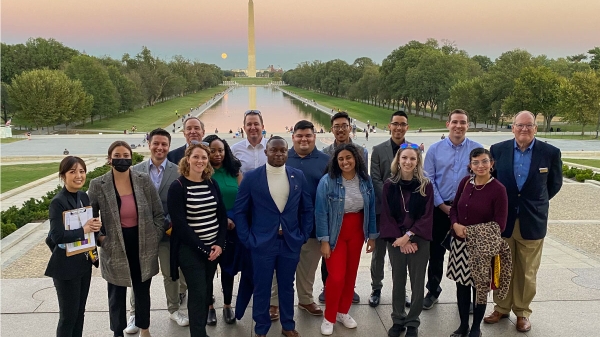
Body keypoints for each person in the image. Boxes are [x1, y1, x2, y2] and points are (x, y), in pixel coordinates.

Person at [485, 111, 563, 333]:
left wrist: (537, 202)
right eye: (520, 125)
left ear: (536, 129)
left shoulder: (550, 153)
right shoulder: (498, 151)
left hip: (533, 220)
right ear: (512, 128)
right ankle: (501, 307)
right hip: (504, 220)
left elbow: (554, 184)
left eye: (529, 126)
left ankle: (522, 312)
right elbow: (493, 181)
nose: (524, 129)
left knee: (527, 270)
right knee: (501, 267)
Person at [234, 136, 314, 337]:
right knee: (262, 287)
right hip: (261, 243)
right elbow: (240, 211)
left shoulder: (297, 176)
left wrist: (303, 235)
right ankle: (261, 328)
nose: (278, 154)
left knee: (287, 286)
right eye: (274, 150)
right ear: (266, 152)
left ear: (288, 152)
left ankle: (288, 325)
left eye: (283, 150)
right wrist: (247, 238)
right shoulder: (252, 177)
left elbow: (306, 209)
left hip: (289, 242)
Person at [88, 141, 164, 337]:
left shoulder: (143, 180)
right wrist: (101, 239)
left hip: (142, 242)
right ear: (109, 158)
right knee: (116, 292)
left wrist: (154, 237)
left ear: (131, 157)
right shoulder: (98, 184)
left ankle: (144, 328)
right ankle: (117, 331)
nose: (122, 159)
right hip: (114, 244)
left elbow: (158, 213)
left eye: (125, 155)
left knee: (142, 290)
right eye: (117, 156)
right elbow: (89, 218)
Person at [124, 129, 189, 334]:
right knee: (140, 276)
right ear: (149, 144)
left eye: (164, 144)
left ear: (169, 147)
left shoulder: (177, 170)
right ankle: (135, 314)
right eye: (156, 144)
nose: (160, 148)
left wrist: (168, 223)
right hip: (142, 235)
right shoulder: (135, 171)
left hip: (168, 233)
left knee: (171, 274)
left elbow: (180, 203)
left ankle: (174, 309)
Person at [423, 109, 482, 310]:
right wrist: (442, 206)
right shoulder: (435, 149)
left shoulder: (477, 149)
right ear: (448, 124)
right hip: (440, 209)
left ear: (468, 125)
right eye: (455, 122)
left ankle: (470, 298)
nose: (459, 126)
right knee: (436, 253)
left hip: (468, 211)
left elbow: (483, 178)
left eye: (463, 122)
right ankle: (433, 290)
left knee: (470, 254)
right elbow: (428, 180)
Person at [315, 143, 377, 336]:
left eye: (348, 158)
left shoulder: (365, 181)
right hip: (336, 232)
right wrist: (324, 240)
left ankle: (343, 312)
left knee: (350, 275)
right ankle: (329, 316)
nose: (345, 162)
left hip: (357, 231)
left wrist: (372, 236)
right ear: (336, 161)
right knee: (337, 276)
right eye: (340, 159)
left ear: (356, 159)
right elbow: (321, 212)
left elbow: (371, 209)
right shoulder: (328, 181)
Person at [168, 142, 228, 337]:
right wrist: (203, 249)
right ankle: (198, 334)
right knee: (198, 292)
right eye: (196, 157)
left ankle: (199, 329)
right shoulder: (177, 187)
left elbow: (221, 216)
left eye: (204, 157)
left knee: (206, 289)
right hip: (191, 250)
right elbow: (181, 226)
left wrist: (219, 244)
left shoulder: (211, 183)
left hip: (213, 249)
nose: (200, 161)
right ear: (187, 158)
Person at [447, 148, 509, 337]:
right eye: (476, 162)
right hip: (460, 245)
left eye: (484, 161)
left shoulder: (498, 189)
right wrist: (455, 225)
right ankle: (463, 325)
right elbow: (454, 207)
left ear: (491, 163)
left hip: (482, 247)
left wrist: (471, 231)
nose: (480, 166)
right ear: (470, 165)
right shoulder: (466, 183)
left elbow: (500, 225)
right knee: (462, 286)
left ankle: (476, 328)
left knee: (479, 286)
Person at [379, 143, 434, 337]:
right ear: (398, 160)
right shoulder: (389, 185)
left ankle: (412, 321)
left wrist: (408, 237)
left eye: (412, 158)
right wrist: (400, 239)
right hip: (396, 240)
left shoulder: (425, 185)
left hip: (419, 240)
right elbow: (387, 216)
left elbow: (427, 217)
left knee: (418, 283)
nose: (408, 162)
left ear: (417, 161)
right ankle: (398, 318)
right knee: (398, 280)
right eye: (404, 158)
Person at [45, 156, 101, 337]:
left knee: (79, 314)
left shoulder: (83, 196)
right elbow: (56, 235)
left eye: (82, 171)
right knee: (68, 317)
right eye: (73, 172)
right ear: (63, 176)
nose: (78, 175)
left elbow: (87, 226)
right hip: (65, 267)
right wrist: (83, 229)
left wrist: (94, 228)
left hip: (83, 263)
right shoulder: (58, 202)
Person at [321, 111, 368, 304]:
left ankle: (349, 288)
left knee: (351, 256)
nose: (340, 129)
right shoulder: (325, 153)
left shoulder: (361, 151)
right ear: (331, 129)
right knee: (329, 254)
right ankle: (327, 286)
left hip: (353, 208)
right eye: (336, 126)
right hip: (333, 209)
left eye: (344, 125)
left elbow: (363, 179)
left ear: (350, 127)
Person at [369, 110, 412, 308]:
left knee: (399, 254)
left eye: (402, 124)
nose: (398, 127)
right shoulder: (378, 150)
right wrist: (390, 200)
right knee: (379, 253)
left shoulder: (412, 150)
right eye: (395, 123)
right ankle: (376, 288)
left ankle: (400, 291)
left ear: (407, 127)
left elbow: (416, 176)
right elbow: (375, 179)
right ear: (389, 126)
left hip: (403, 213)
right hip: (381, 210)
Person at [287, 120, 330, 317]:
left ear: (314, 137)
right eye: (299, 135)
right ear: (293, 137)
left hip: (312, 224)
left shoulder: (326, 160)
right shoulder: (282, 157)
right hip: (285, 225)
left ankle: (305, 299)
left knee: (308, 267)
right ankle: (274, 303)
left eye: (308, 135)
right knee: (280, 267)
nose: (304, 139)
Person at [203, 134, 243, 326]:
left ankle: (227, 305)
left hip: (232, 229)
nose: (217, 154)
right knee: (209, 270)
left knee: (228, 270)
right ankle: (209, 307)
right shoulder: (202, 173)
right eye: (212, 150)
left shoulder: (234, 171)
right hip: (210, 228)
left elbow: (242, 199)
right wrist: (221, 218)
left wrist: (232, 217)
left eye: (221, 150)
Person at [231, 110, 268, 174]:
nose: (253, 127)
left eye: (256, 124)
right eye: (249, 124)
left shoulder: (272, 147)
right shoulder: (234, 150)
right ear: (244, 128)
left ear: (262, 127)